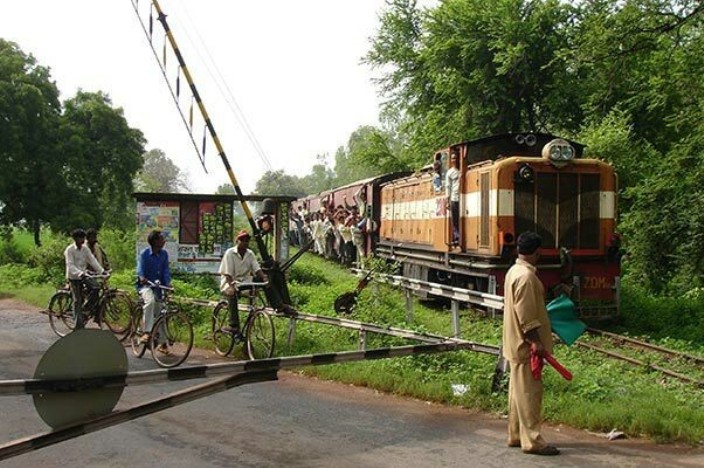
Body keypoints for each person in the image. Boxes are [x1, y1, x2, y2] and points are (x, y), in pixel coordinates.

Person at [502, 231, 559, 456]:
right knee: (529, 394)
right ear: (537, 252)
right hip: (525, 346)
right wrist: (535, 341)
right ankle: (533, 441)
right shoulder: (526, 277)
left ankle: (515, 435)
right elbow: (525, 315)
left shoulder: (513, 271)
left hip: (514, 342)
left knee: (518, 393)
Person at [218, 230, 268, 337]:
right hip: (230, 281)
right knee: (232, 293)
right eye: (242, 240)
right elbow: (227, 274)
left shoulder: (250, 254)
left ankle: (278, 305)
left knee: (266, 282)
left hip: (244, 282)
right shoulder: (230, 253)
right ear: (237, 241)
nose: (245, 242)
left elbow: (256, 268)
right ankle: (233, 325)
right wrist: (231, 286)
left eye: (247, 241)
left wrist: (264, 277)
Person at [136, 230, 172, 353]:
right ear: (155, 241)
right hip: (146, 287)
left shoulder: (164, 255)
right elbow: (140, 269)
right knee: (150, 302)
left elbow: (166, 271)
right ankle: (146, 332)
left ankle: (162, 343)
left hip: (158, 287)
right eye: (161, 239)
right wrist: (142, 277)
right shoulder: (144, 254)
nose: (164, 241)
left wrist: (168, 284)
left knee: (162, 312)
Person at [64, 228, 105, 329]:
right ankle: (78, 326)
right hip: (74, 277)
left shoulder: (85, 249)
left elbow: (92, 260)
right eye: (80, 238)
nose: (82, 240)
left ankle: (86, 309)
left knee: (96, 288)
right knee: (77, 300)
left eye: (83, 238)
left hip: (84, 275)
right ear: (75, 239)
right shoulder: (69, 250)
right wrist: (80, 273)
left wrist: (102, 271)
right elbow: (70, 265)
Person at [445, 151, 460, 246]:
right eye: (453, 158)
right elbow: (447, 186)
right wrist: (447, 201)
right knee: (455, 219)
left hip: (463, 197)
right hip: (454, 197)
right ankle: (456, 236)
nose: (454, 160)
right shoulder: (449, 173)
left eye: (455, 158)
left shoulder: (461, 170)